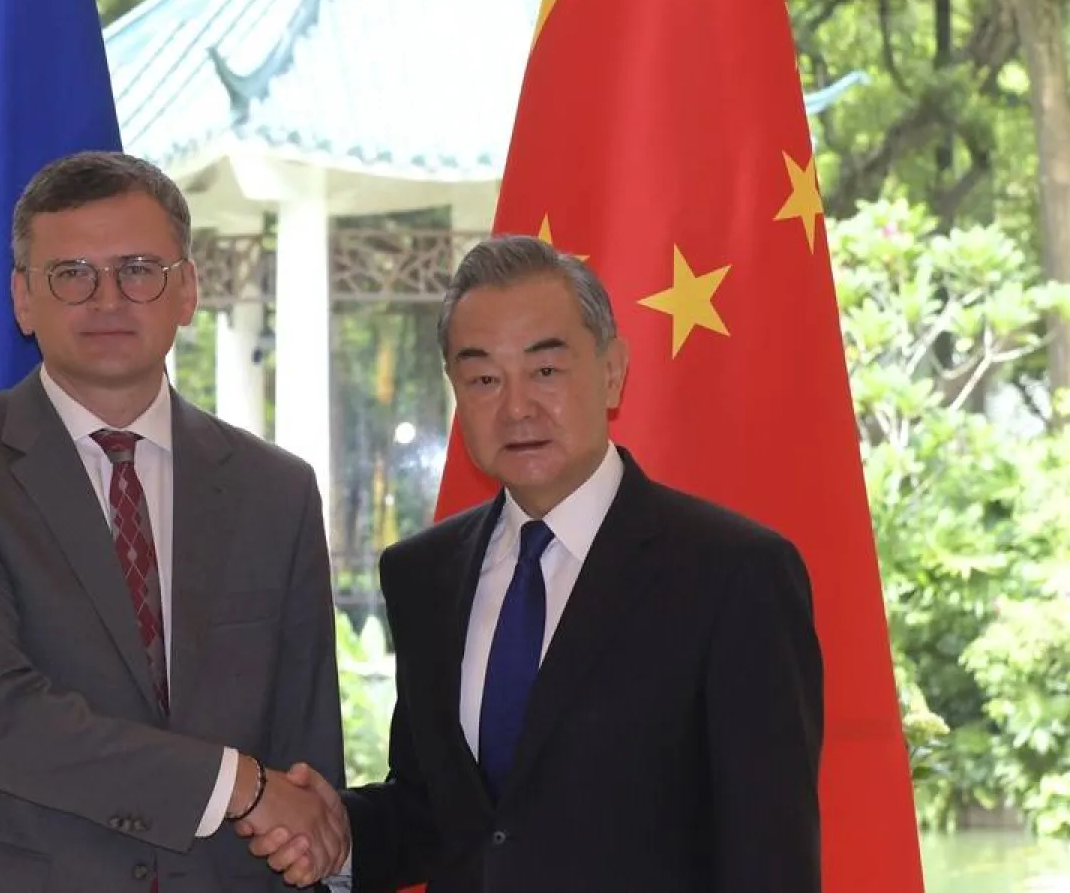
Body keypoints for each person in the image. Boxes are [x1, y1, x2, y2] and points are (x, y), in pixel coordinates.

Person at [248, 235, 823, 892]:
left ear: (612, 371)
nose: (516, 406)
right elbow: (441, 814)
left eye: (546, 370)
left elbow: (769, 857)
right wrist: (337, 832)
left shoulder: (735, 574)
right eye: (484, 378)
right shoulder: (423, 574)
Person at [0, 151, 347, 892]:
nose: (107, 298)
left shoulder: (277, 490)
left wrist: (313, 836)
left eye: (138, 268)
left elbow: (306, 761)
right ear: (23, 300)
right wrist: (238, 784)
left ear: (186, 290)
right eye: (71, 274)